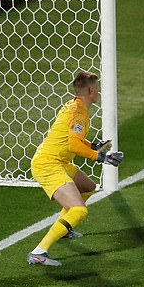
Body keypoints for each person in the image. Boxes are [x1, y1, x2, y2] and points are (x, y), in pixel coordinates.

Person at [28, 71, 123, 266]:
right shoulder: (78, 112)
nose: (98, 92)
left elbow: (72, 139)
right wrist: (101, 157)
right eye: (96, 88)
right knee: (79, 210)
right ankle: (39, 252)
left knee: (88, 187)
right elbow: (73, 145)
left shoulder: (74, 106)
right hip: (48, 164)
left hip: (58, 161)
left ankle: (65, 229)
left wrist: (93, 146)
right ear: (90, 91)